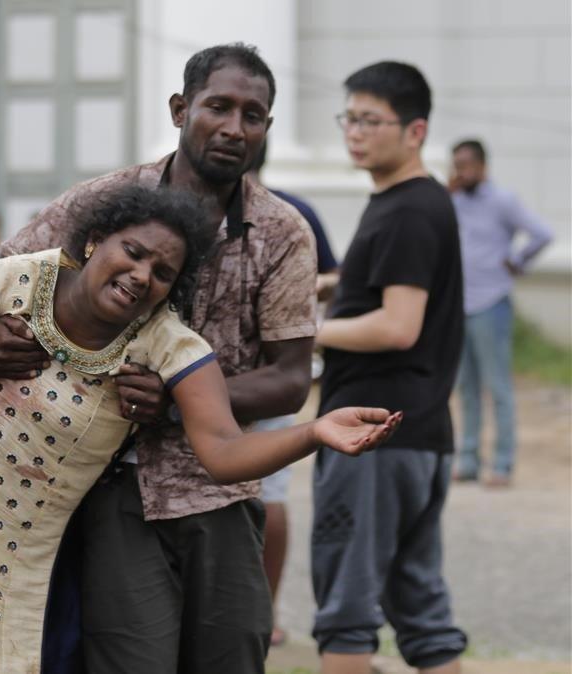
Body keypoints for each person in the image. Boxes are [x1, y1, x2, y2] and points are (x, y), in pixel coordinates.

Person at [0, 184, 400, 673]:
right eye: (134, 251)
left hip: (39, 568)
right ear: (95, 240)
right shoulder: (12, 282)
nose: (142, 274)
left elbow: (224, 450)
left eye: (163, 272)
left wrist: (314, 433)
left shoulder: (168, 345)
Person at [0, 43, 319, 673]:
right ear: (181, 109)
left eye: (253, 115)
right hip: (110, 485)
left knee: (232, 658)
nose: (234, 128)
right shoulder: (106, 200)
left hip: (222, 488)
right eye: (218, 106)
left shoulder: (282, 231)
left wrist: (182, 400)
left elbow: (291, 380)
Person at [314, 61, 468, 674]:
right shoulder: (411, 204)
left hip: (370, 435)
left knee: (345, 622)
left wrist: (309, 334)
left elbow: (398, 323)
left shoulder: (407, 211)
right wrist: (329, 285)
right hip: (420, 436)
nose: (355, 131)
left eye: (371, 120)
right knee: (425, 621)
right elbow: (371, 290)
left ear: (415, 131)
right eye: (349, 117)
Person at [247, 141, 341, 647]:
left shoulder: (293, 214)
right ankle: (259, 613)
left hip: (272, 376)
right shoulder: (190, 209)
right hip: (234, 379)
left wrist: (302, 287)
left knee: (271, 496)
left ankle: (268, 610)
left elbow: (336, 276)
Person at [448, 138, 552, 487]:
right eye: (456, 165)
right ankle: (468, 460)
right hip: (459, 305)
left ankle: (503, 464)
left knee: (498, 387)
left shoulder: (503, 200)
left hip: (491, 304)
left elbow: (542, 233)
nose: (461, 172)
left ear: (482, 166)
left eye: (466, 166)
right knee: (466, 387)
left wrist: (519, 262)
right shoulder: (454, 199)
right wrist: (446, 193)